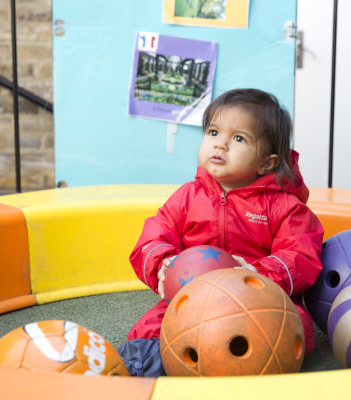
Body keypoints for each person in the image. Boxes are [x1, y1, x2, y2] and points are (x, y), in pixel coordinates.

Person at [119, 88, 324, 376]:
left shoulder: (284, 207)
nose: (220, 145)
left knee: (291, 327)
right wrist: (162, 264)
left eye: (238, 138)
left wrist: (254, 273)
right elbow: (155, 235)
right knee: (151, 330)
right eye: (213, 132)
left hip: (257, 302)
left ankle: (242, 368)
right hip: (190, 298)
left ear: (266, 162)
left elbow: (301, 255)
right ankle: (142, 365)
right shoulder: (188, 196)